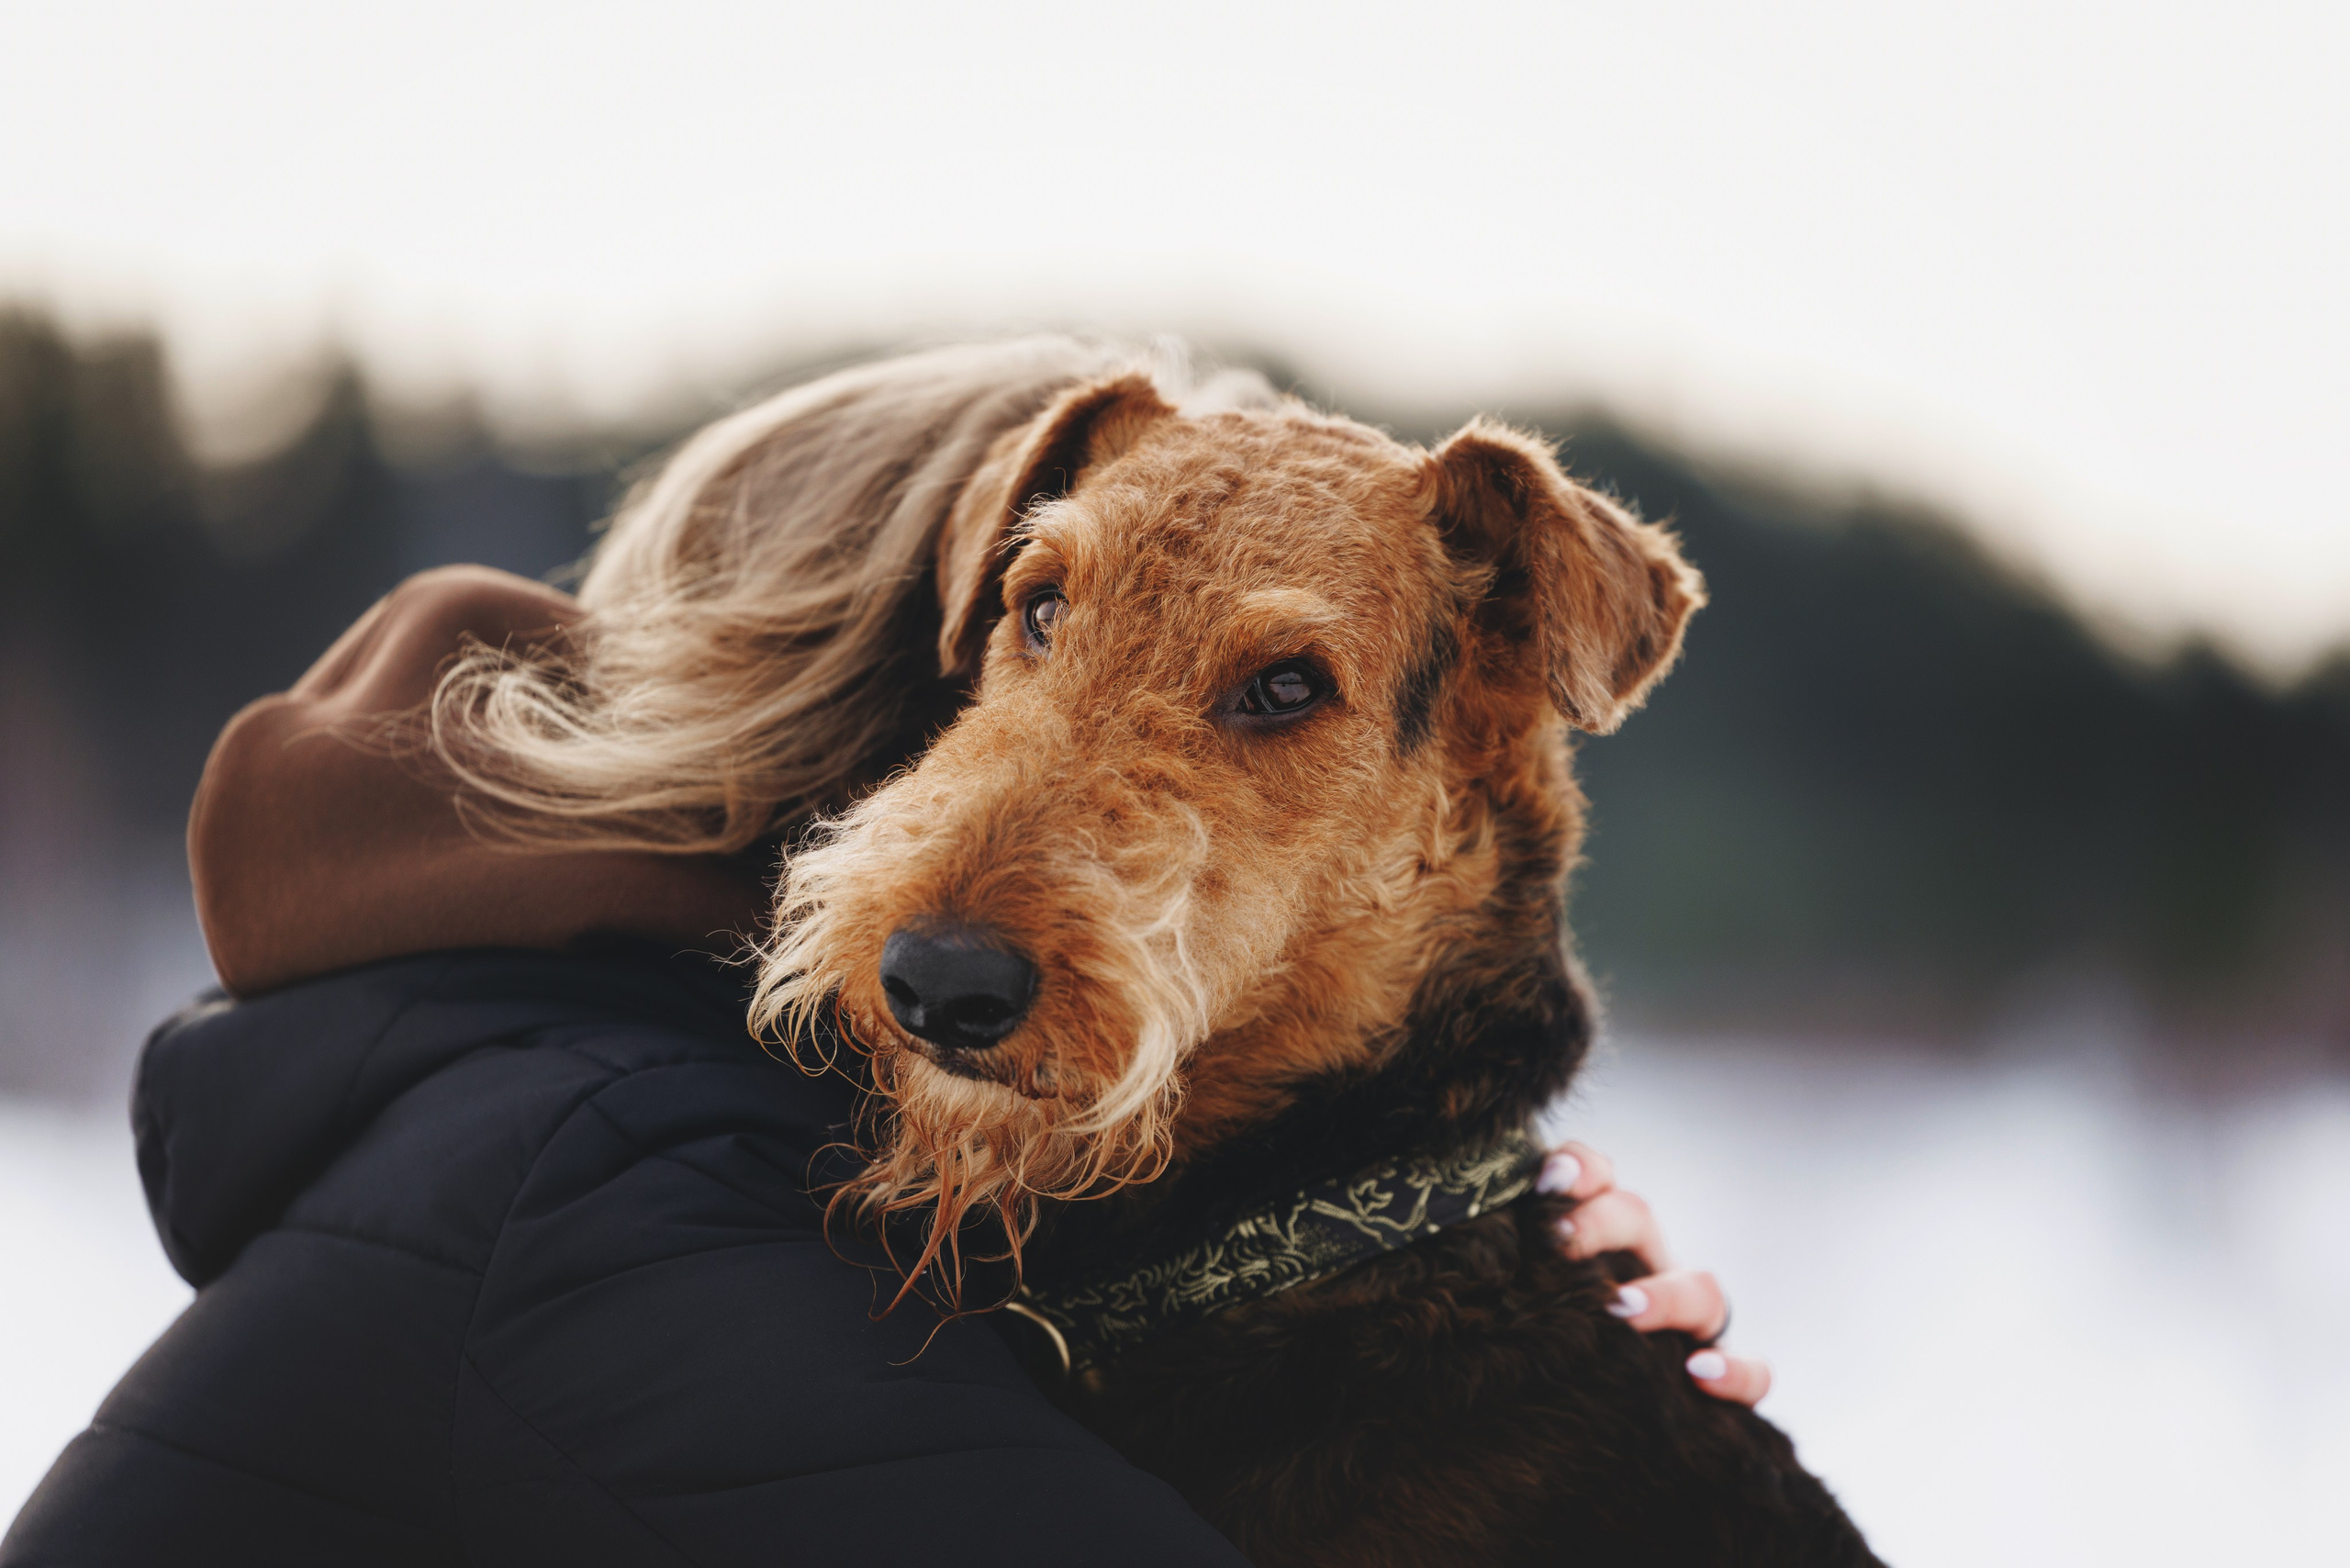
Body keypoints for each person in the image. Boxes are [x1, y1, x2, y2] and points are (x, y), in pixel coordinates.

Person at [3, 343, 1762, 1566]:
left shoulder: (545, 1067)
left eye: (1271, 690)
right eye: (1040, 616)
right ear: (853, 702)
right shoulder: (620, 1183)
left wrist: (1594, 1415)